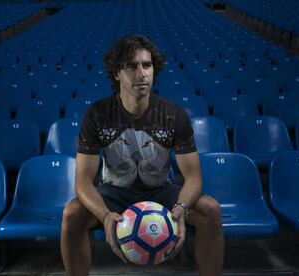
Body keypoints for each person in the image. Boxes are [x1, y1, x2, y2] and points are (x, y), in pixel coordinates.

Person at [61, 35, 224, 276]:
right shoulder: (98, 114)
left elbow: (194, 178)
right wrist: (105, 216)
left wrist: (180, 208)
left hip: (161, 192)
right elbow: (83, 181)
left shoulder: (173, 115)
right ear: (117, 73)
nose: (141, 73)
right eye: (131, 66)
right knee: (72, 214)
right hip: (113, 193)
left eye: (147, 65)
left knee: (210, 210)